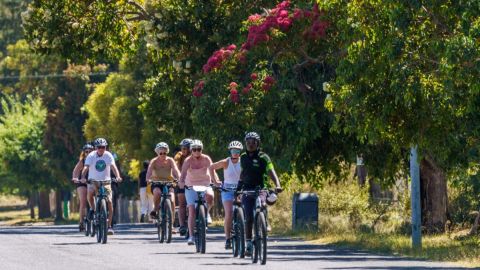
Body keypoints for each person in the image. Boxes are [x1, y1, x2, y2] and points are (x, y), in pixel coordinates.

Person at [237, 132, 282, 256]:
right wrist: (239, 187)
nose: (251, 145)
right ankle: (249, 244)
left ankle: (265, 222)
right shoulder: (243, 157)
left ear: (258, 143)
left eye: (253, 142)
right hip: (247, 189)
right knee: (249, 217)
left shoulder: (264, 157)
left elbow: (271, 171)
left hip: (261, 188)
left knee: (263, 203)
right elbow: (242, 173)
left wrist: (277, 184)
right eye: (248, 142)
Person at [80, 138, 122, 235]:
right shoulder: (91, 155)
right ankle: (94, 210)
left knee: (110, 202)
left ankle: (110, 226)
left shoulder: (108, 155)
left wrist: (118, 176)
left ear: (106, 147)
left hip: (106, 181)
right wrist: (82, 177)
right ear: (95, 148)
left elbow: (113, 167)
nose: (101, 149)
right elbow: (86, 167)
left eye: (103, 147)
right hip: (93, 181)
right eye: (99, 147)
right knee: (90, 194)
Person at [178, 139, 215, 245]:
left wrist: (216, 182)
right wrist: (181, 182)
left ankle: (206, 214)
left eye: (199, 149)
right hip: (191, 186)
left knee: (210, 197)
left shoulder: (206, 159)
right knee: (192, 210)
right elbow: (183, 174)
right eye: (194, 149)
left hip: (205, 184)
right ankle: (191, 236)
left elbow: (212, 172)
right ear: (191, 150)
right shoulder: (188, 160)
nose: (196, 152)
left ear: (202, 150)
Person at [210, 141, 243, 249]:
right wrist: (215, 181)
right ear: (230, 151)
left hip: (240, 189)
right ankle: (228, 239)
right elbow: (211, 167)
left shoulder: (243, 162)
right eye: (233, 151)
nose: (236, 153)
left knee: (245, 211)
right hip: (227, 189)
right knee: (229, 212)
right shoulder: (226, 162)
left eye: (238, 151)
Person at [147, 142, 181, 220]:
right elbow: (149, 171)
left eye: (164, 153)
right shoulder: (154, 161)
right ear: (157, 152)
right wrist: (148, 179)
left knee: (172, 200)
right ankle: (155, 209)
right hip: (156, 182)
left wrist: (179, 178)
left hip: (169, 182)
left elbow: (176, 170)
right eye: (161, 153)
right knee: (157, 193)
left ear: (167, 152)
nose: (163, 154)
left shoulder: (170, 160)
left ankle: (171, 224)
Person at [71, 143, 94, 232]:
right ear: (84, 153)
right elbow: (75, 171)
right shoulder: (82, 161)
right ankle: (81, 222)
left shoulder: (96, 160)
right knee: (83, 201)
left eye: (90, 151)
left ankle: (97, 213)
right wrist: (75, 178)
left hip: (93, 182)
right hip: (82, 182)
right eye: (86, 152)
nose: (88, 153)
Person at [174, 138, 192, 236]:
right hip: (182, 182)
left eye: (186, 148)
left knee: (191, 204)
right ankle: (182, 226)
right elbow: (175, 167)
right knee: (182, 204)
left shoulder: (194, 156)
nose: (183, 150)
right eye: (182, 148)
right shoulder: (178, 156)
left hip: (193, 182)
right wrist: (177, 178)